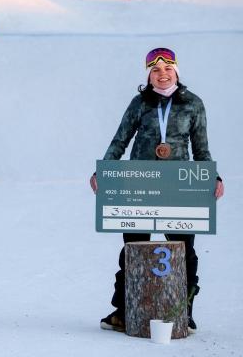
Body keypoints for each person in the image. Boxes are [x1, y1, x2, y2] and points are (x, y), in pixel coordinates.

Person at [91, 47, 224, 334]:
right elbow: (120, 139)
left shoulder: (193, 104)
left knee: (184, 251)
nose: (162, 74)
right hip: (140, 185)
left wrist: (215, 177)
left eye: (167, 69)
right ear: (148, 76)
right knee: (133, 250)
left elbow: (201, 147)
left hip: (179, 188)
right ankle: (124, 311)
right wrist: (102, 171)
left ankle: (183, 312)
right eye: (155, 70)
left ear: (176, 71)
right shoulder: (140, 103)